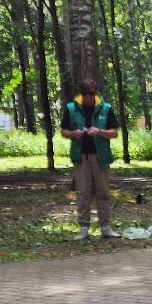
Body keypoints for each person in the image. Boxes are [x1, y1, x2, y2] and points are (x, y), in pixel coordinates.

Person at [62, 79, 120, 240]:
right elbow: (64, 131)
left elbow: (114, 133)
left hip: (101, 156)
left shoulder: (106, 108)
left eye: (92, 95)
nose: (90, 98)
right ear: (82, 95)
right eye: (87, 95)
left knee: (103, 191)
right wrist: (74, 134)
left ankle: (105, 227)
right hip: (81, 156)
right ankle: (84, 228)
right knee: (83, 192)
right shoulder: (71, 108)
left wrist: (100, 131)